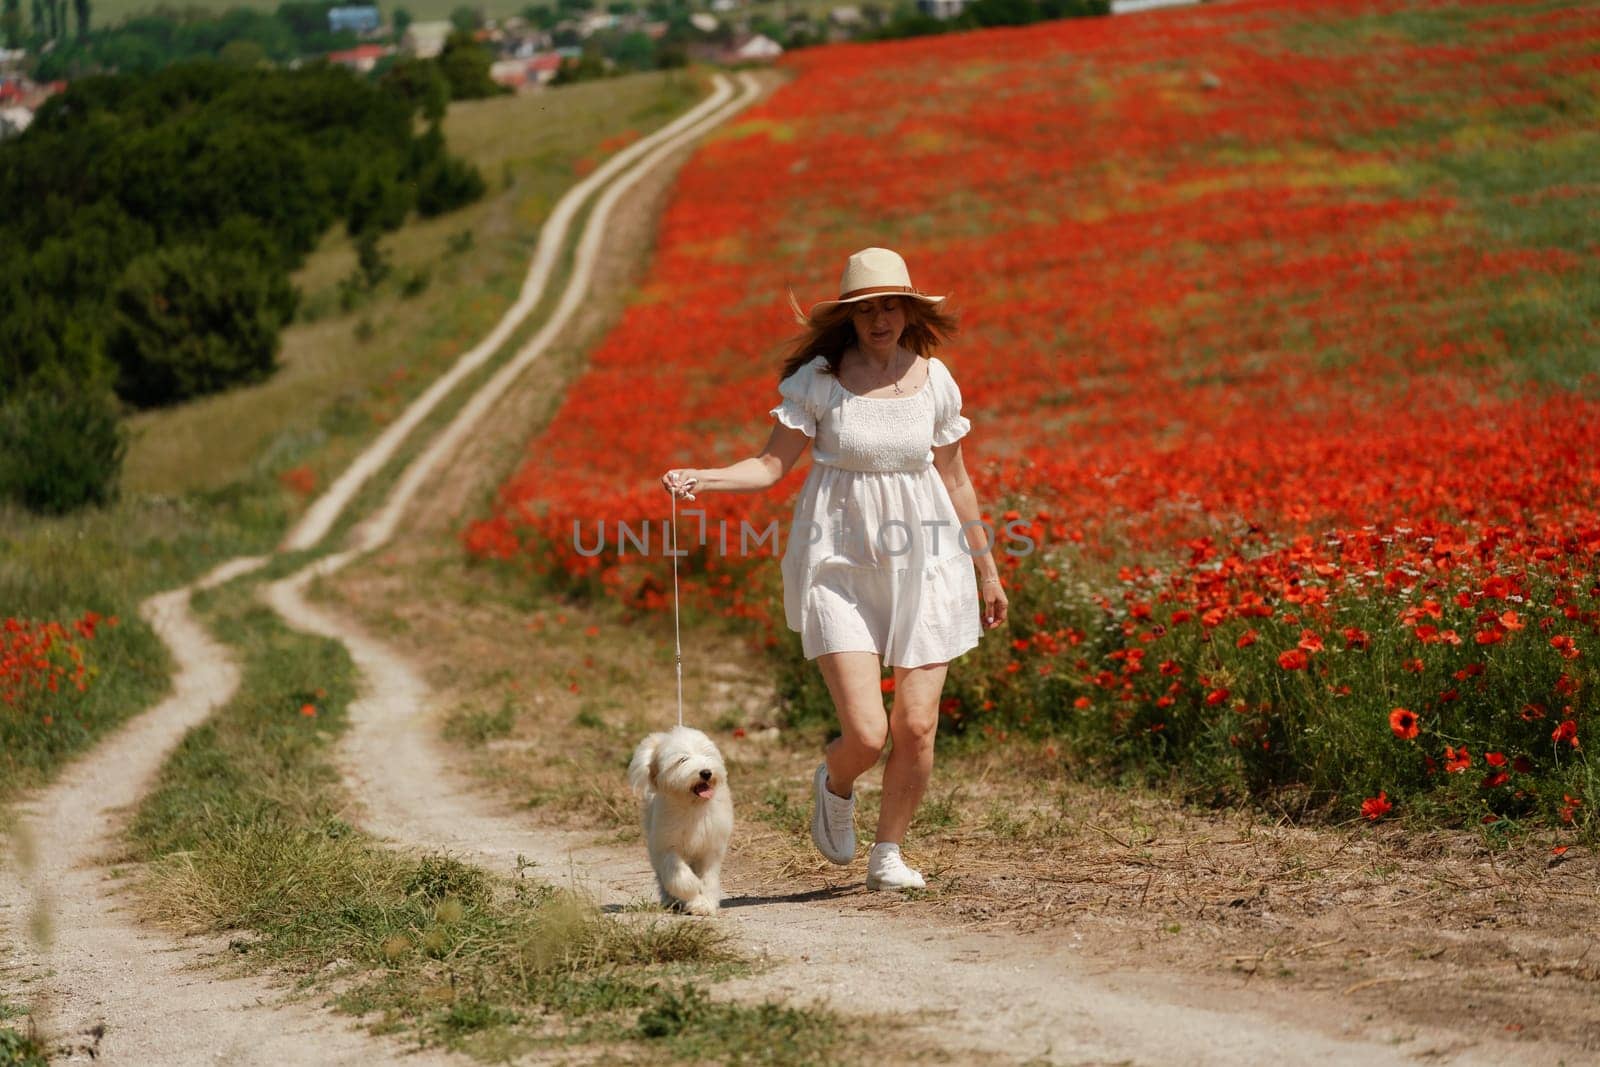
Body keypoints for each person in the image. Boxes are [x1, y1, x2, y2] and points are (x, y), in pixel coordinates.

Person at [661, 247, 1008, 891]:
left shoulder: (936, 380)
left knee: (917, 724)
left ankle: (888, 855)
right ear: (849, 318)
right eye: (866, 308)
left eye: (889, 306)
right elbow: (770, 467)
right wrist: (701, 477)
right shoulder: (819, 382)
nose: (879, 318)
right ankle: (836, 780)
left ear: (908, 311)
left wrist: (986, 568)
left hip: (928, 557)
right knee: (870, 733)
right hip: (838, 560)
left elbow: (956, 478)